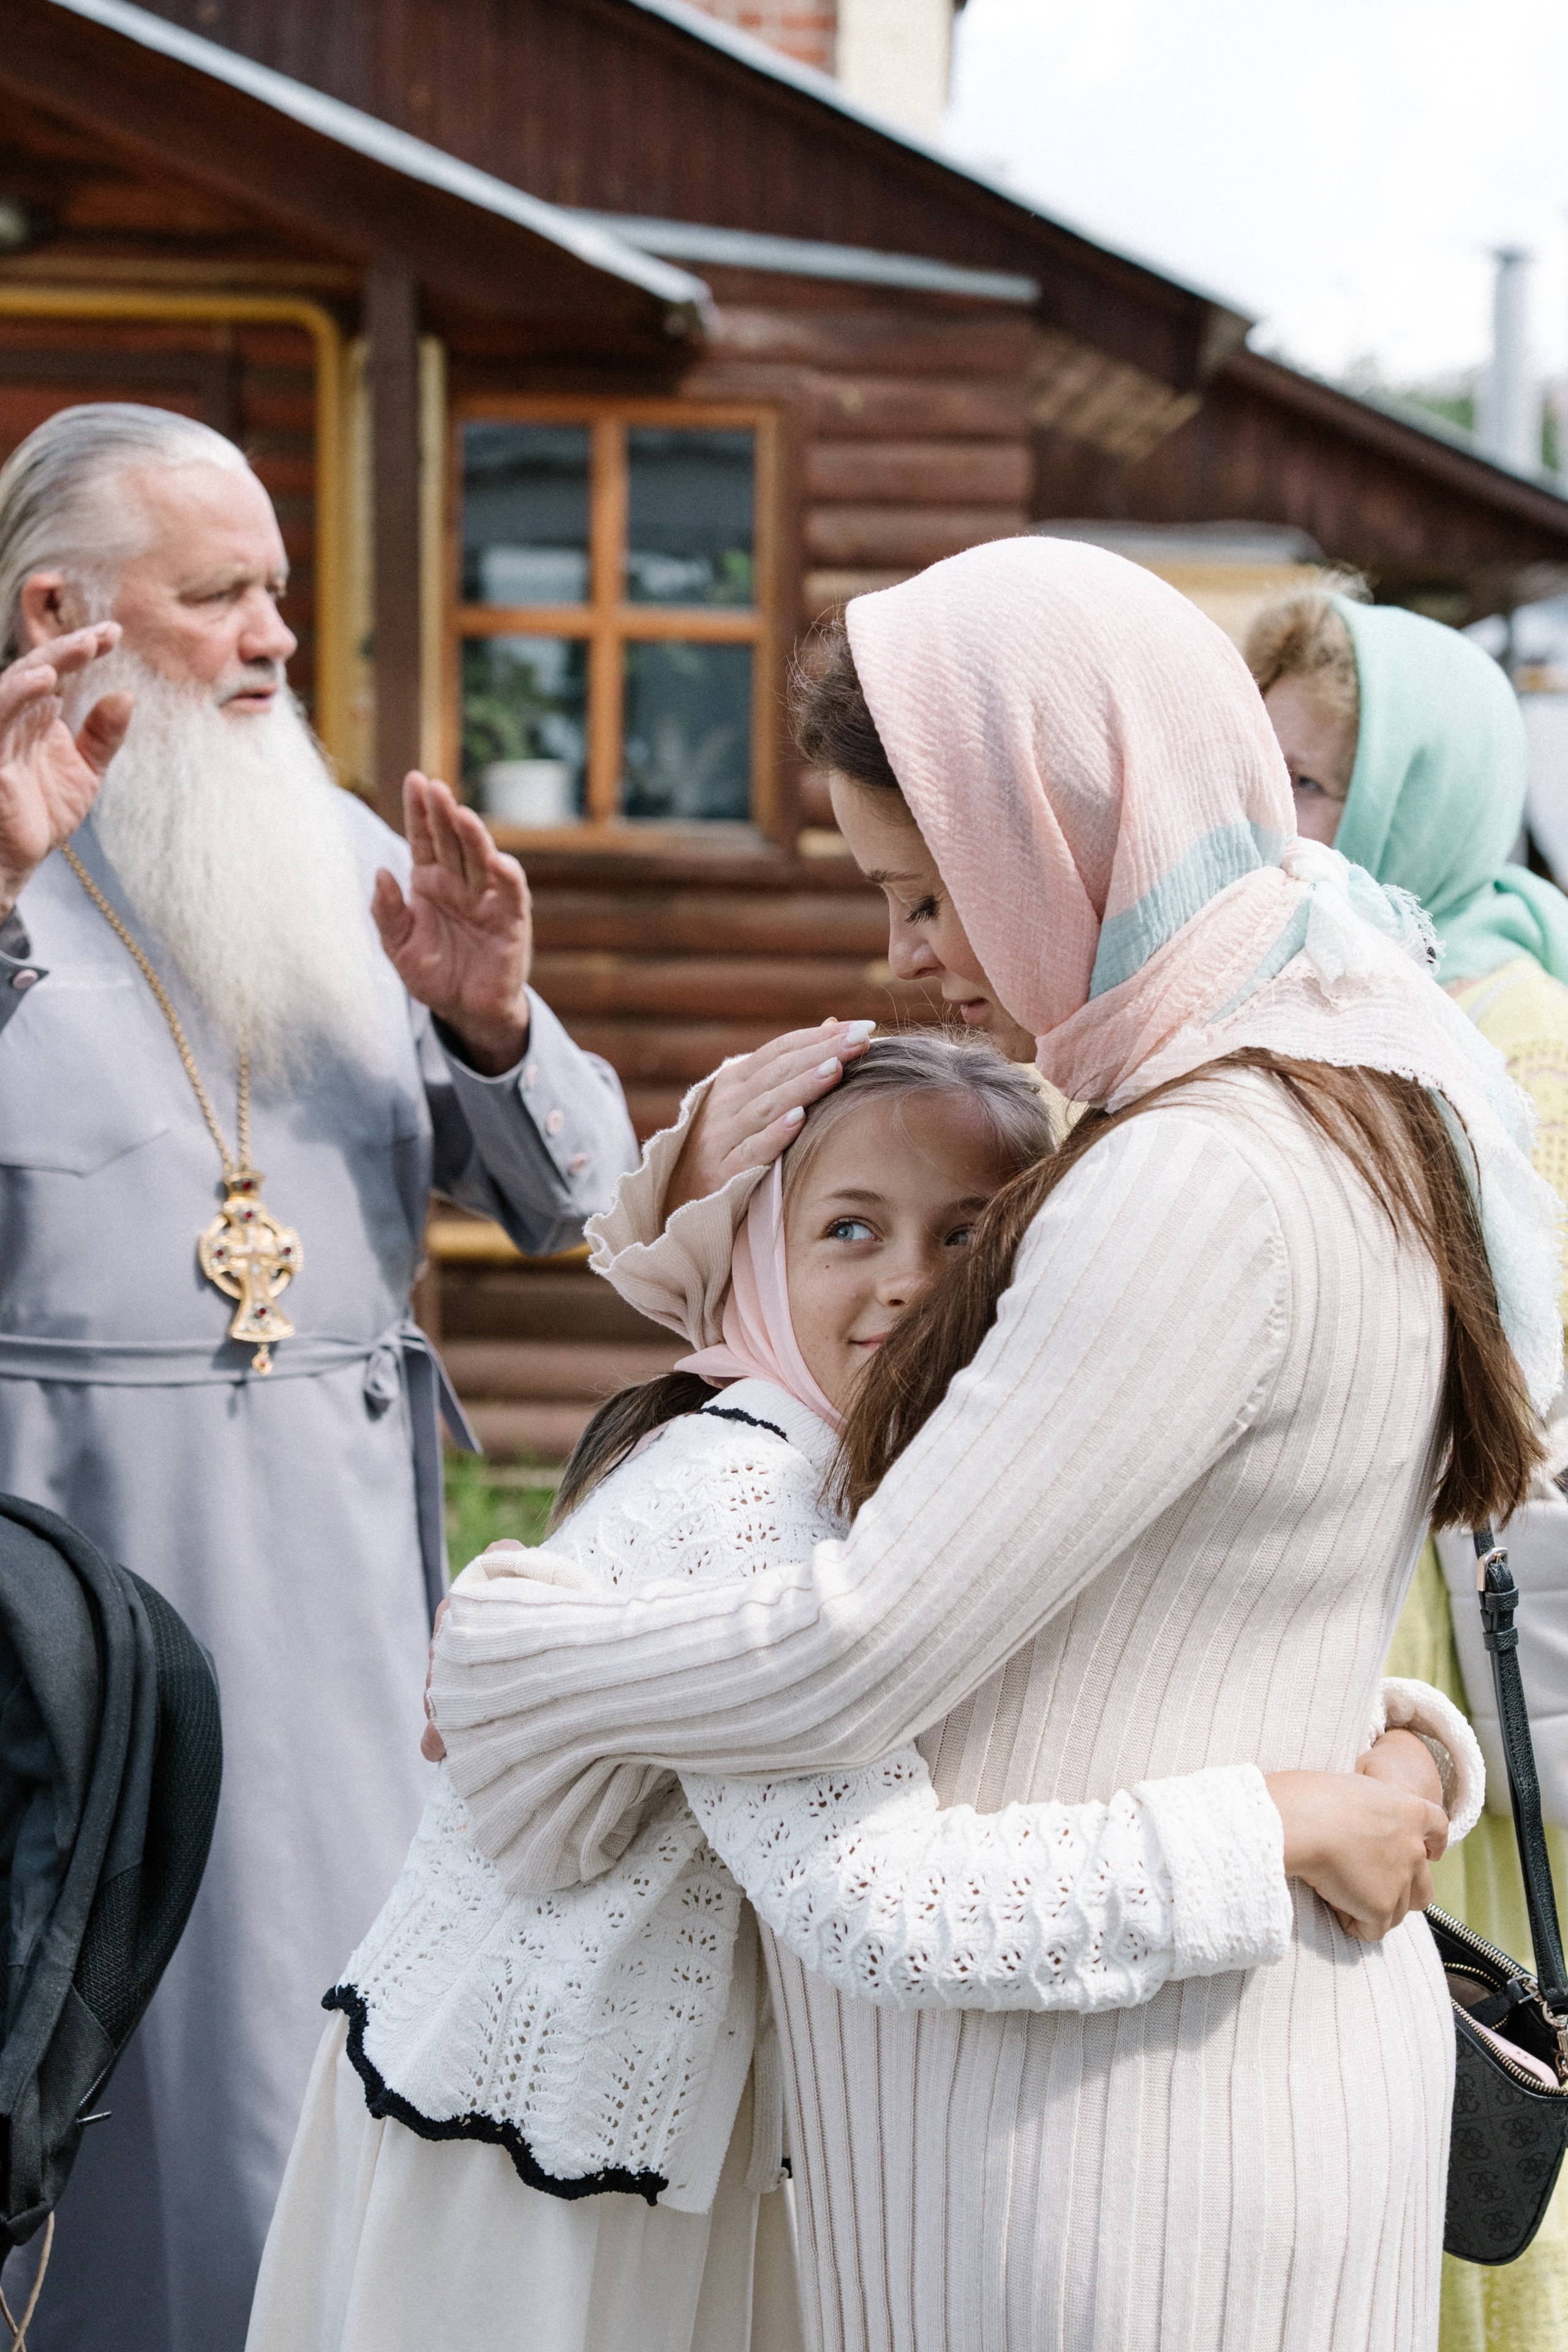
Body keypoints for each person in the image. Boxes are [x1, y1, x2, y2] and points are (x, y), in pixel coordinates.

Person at [423, 537, 1567, 2351]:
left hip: (1103, 2150)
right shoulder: (1321, 1092)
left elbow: (864, 1646)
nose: (907, 957)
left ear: (1066, 829)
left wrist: (521, 1652)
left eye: (929, 894)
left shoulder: (1195, 1173)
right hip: (1164, 2093)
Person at [253, 1034, 1467, 2352]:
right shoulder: (749, 1501)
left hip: (680, 2171)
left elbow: (1139, 1664)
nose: (908, 1283)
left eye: (967, 1239)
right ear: (759, 1270)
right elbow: (883, 1899)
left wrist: (1409, 1752)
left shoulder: (900, 1499)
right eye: (847, 1229)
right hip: (537, 2196)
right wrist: (1273, 1830)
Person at [0, 401, 654, 2352]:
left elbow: (583, 1200)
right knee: (108, 2115)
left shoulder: (351, 849)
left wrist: (492, 1015)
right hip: (76, 1631)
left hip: (353, 1638)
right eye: (223, 598)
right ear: (64, 611)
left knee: (334, 2097)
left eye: (278, 588)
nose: (280, 637)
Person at [1247, 586, 1568, 2351]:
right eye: (1264, 778)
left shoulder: (1510, 1021)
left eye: (1320, 788)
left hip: (1448, 1629)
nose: (1280, 827)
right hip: (1348, 1604)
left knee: (1469, 2062)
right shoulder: (1293, 987)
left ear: (1416, 802)